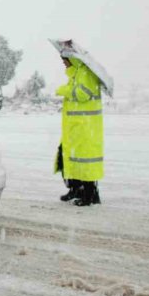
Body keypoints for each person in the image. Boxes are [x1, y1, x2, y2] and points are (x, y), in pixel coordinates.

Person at [54, 52, 104, 206]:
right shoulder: (76, 74)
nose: (63, 62)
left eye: (65, 59)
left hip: (85, 127)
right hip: (75, 127)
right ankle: (75, 189)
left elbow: (83, 94)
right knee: (68, 158)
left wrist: (63, 90)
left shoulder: (86, 73)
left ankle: (89, 195)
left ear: (73, 58)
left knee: (84, 161)